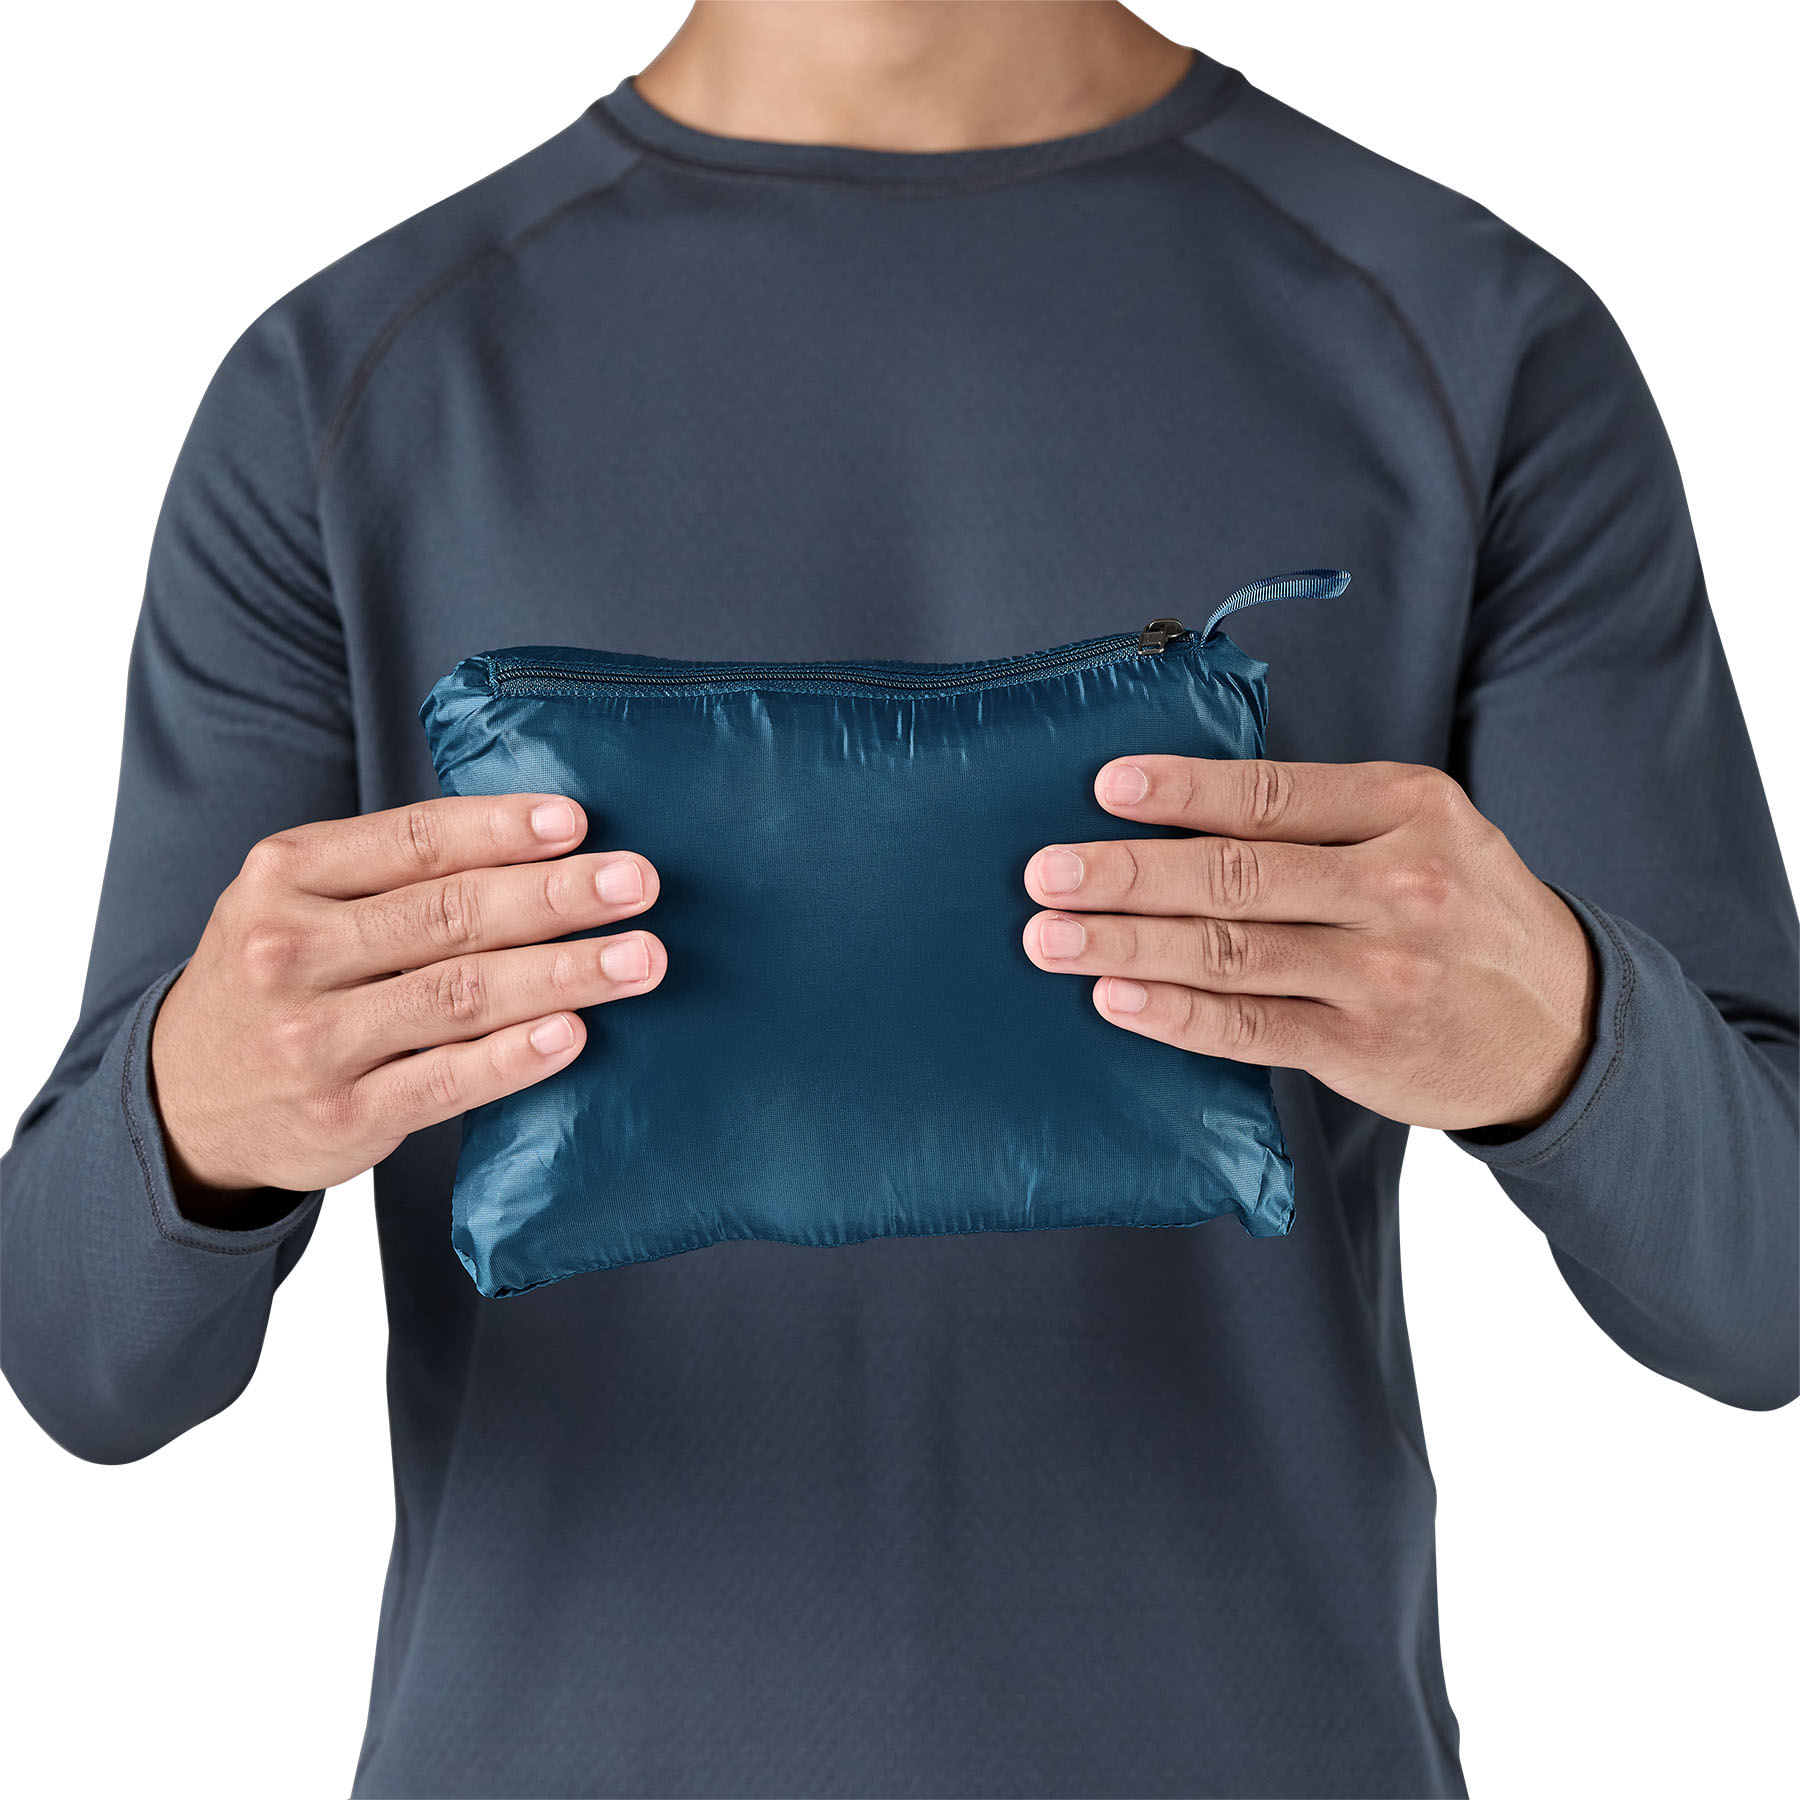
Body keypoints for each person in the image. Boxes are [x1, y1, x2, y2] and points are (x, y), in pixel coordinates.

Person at [2, 2, 1794, 1795]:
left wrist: (1565, 1031)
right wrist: (201, 1107)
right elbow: (85, 1367)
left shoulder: (1477, 345)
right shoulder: (341, 392)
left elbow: (1765, 1299)